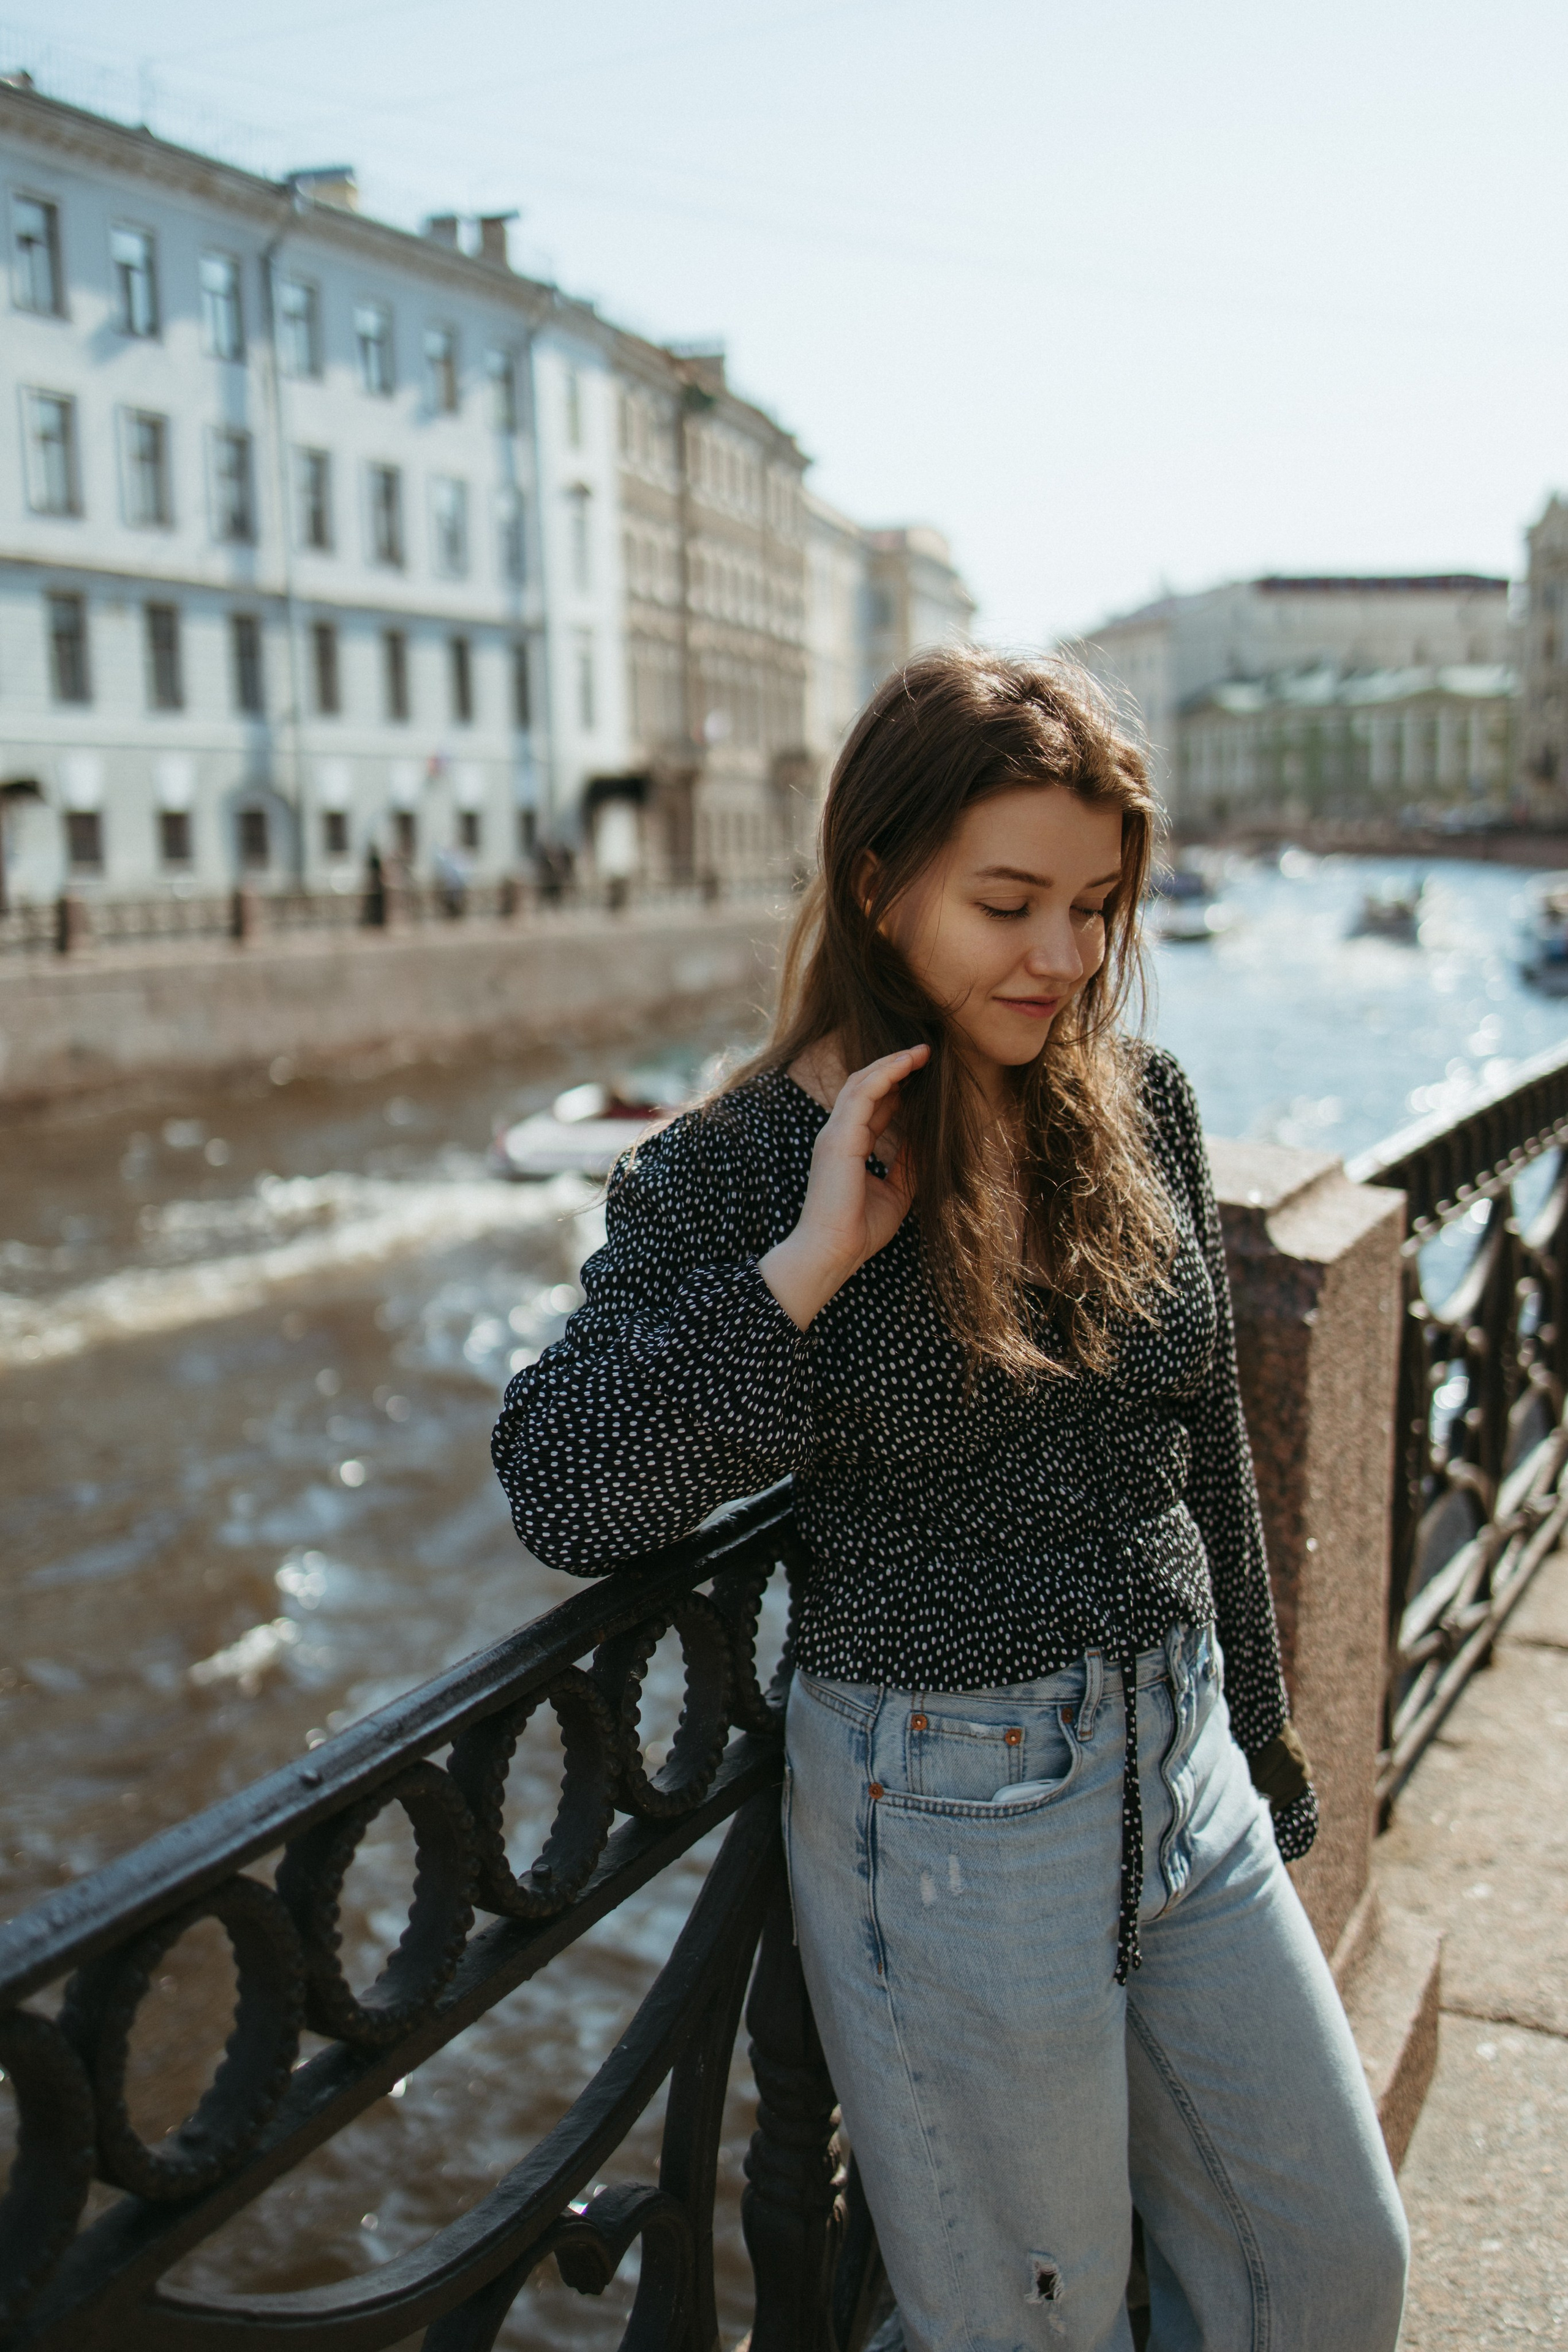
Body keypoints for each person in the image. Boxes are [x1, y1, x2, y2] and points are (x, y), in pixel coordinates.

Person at [492, 649, 1408, 2352]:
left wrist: (1265, 1763)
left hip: (1186, 1771)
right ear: (875, 880)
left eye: (1094, 905)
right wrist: (808, 1267)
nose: (1062, 959)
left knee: (1334, 2273)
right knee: (1031, 2332)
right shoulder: (740, 1166)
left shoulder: (1142, 1105)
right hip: (952, 1822)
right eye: (1009, 903)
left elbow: (1200, 1460)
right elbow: (562, 1486)